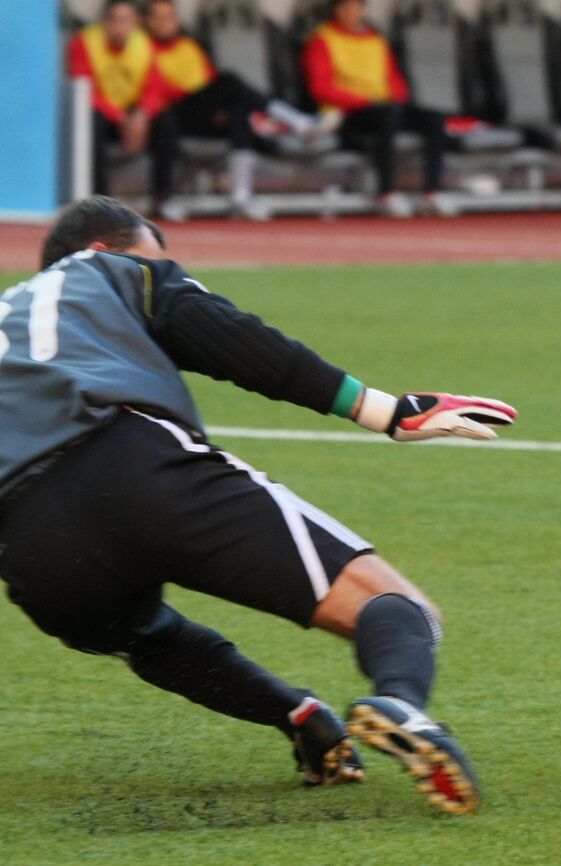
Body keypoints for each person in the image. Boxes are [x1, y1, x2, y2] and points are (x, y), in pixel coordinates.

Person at [0, 196, 519, 814]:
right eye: (157, 259)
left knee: (146, 638)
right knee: (398, 607)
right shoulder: (99, 272)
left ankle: (297, 715)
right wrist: (381, 410)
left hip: (25, 543)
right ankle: (401, 702)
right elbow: (219, 332)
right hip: (133, 462)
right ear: (102, 251)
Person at [141, 0, 326, 221]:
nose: (164, 23)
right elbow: (155, 87)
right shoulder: (141, 48)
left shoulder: (189, 47)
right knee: (229, 82)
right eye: (158, 17)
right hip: (170, 113)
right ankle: (294, 120)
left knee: (237, 109)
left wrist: (216, 107)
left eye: (169, 16)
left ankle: (241, 195)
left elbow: (208, 81)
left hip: (199, 113)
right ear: (147, 21)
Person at [301, 0, 455, 217]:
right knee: (388, 116)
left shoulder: (375, 39)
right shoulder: (322, 39)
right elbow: (320, 87)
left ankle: (432, 193)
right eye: (346, 7)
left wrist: (395, 101)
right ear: (336, 10)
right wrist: (364, 101)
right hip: (347, 114)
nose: (352, 12)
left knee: (434, 118)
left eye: (357, 7)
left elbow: (395, 80)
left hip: (383, 108)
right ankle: (387, 193)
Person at [67, 0, 167, 216]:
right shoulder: (84, 42)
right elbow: (83, 89)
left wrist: (142, 114)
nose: (120, 26)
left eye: (126, 20)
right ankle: (101, 203)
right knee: (92, 122)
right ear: (104, 22)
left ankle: (163, 198)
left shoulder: (145, 44)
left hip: (133, 114)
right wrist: (119, 116)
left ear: (135, 23)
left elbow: (155, 87)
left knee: (166, 120)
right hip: (104, 114)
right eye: (115, 20)